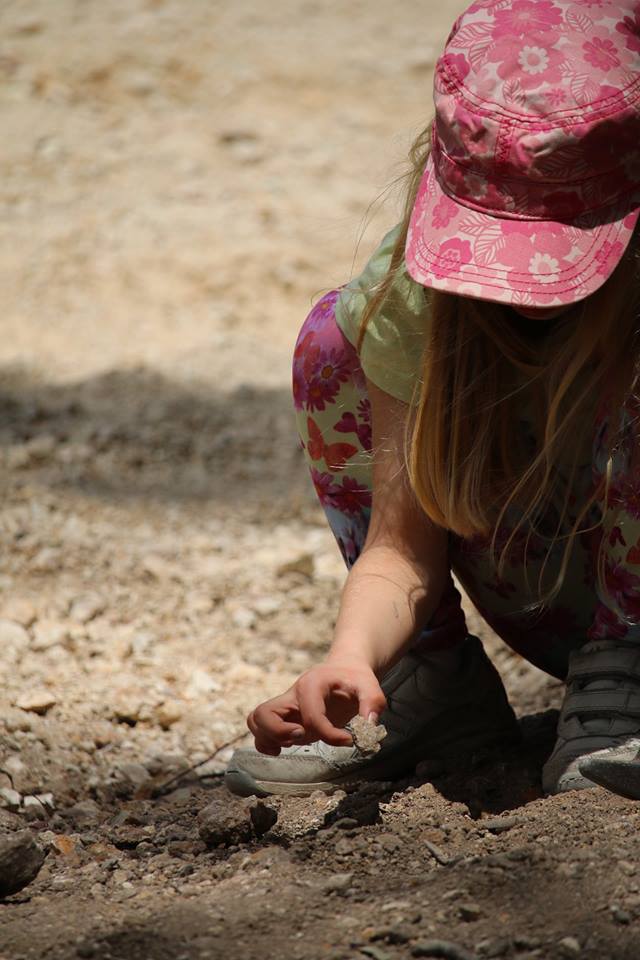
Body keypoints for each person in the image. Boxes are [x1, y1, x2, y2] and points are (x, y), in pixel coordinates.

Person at [226, 0, 640, 799]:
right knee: (334, 341)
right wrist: (352, 655)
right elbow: (401, 547)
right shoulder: (423, 293)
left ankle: (626, 680)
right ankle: (431, 680)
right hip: (553, 584)